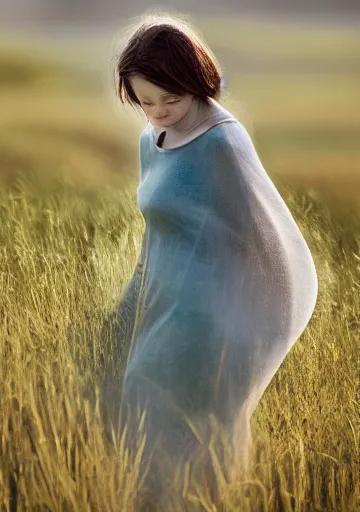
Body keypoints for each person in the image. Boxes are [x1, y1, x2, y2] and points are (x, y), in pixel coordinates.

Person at [100, 11, 319, 505]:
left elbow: (269, 245)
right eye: (144, 100)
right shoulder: (148, 141)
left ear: (196, 84)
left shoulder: (223, 142)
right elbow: (156, 231)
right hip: (165, 301)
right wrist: (132, 298)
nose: (157, 111)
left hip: (213, 315)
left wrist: (245, 328)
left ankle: (205, 499)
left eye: (170, 99)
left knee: (183, 409)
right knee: (137, 398)